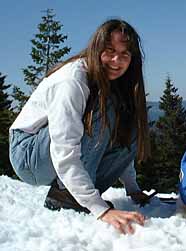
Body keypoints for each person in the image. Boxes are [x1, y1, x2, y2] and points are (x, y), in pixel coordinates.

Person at [9, 19, 152, 234]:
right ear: (96, 49)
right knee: (102, 111)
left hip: (51, 155)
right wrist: (99, 209)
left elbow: (122, 140)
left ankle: (71, 194)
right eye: (110, 51)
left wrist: (133, 189)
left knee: (131, 123)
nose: (116, 60)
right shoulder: (73, 80)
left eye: (124, 54)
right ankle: (67, 194)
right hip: (28, 155)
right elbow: (64, 147)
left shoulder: (111, 83)